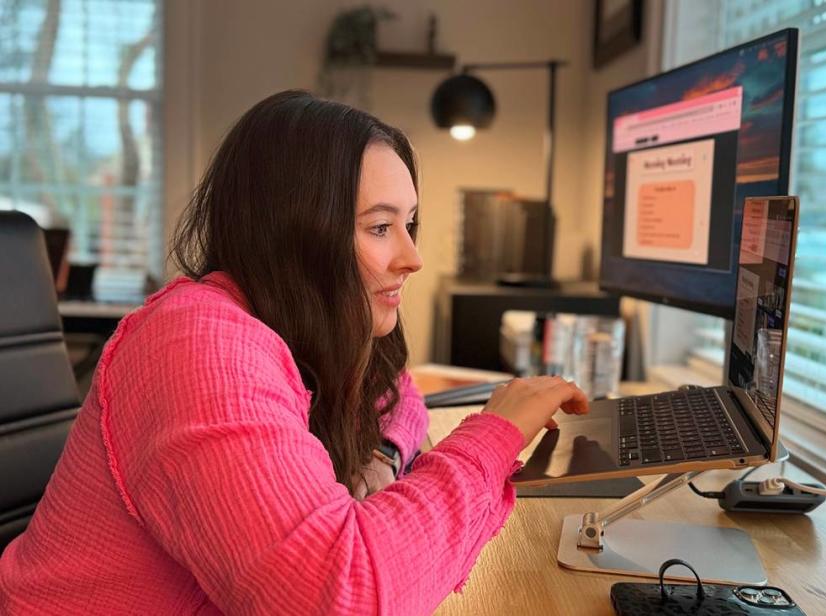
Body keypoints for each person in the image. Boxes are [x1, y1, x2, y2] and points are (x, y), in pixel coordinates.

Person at [0, 90, 589, 614]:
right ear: (297, 232)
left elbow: (396, 390)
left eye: (409, 224)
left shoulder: (302, 323)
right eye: (380, 228)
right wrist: (492, 436)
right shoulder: (196, 342)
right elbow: (336, 597)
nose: (412, 257)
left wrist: (381, 457)